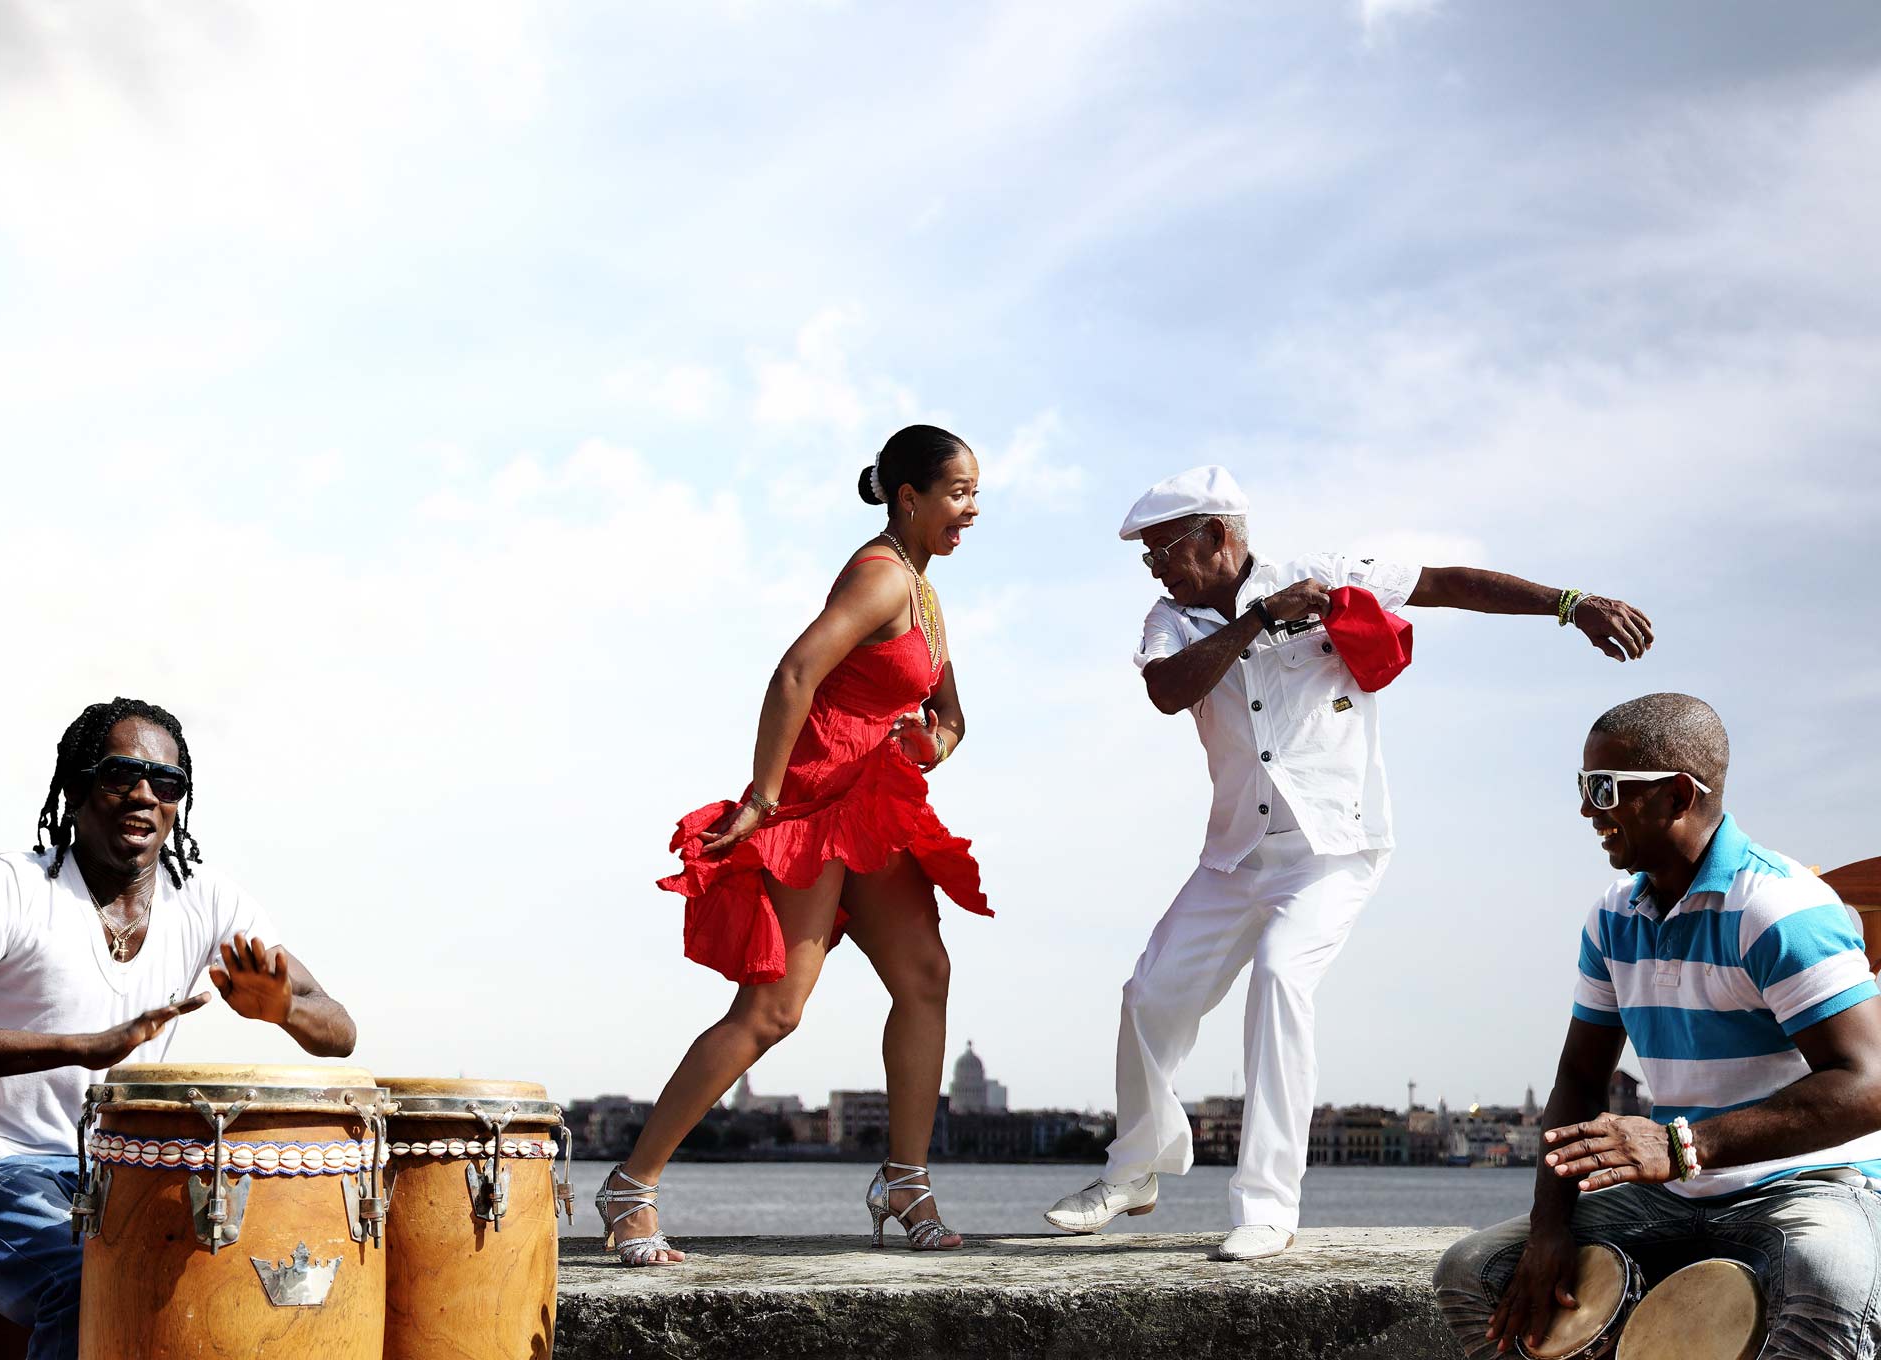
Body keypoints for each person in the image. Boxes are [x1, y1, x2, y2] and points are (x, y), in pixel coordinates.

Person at [1044, 465, 1656, 1261]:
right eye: (1150, 556)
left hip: (1335, 848)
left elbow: (1446, 583)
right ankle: (1138, 1168)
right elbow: (1166, 691)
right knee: (1148, 994)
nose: (1157, 568)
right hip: (1235, 854)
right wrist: (1260, 618)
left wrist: (1569, 606)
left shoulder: (1328, 573)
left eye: (1167, 549)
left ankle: (1266, 1205)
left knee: (1279, 977)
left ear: (1220, 535)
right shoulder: (1172, 620)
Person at [600, 425, 989, 1266]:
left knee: (926, 975)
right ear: (909, 497)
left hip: (873, 803)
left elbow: (952, 716)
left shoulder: (925, 592)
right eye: (958, 493)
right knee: (773, 1012)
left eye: (976, 493)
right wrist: (764, 799)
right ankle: (630, 1185)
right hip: (813, 804)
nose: (972, 509)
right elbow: (793, 673)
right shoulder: (881, 577)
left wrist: (932, 745)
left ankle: (905, 1180)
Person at [0, 698, 358, 1360]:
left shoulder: (206, 900)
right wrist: (84, 1048)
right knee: (98, 1282)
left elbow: (340, 1029)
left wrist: (283, 1010)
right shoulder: (13, 885)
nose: (143, 794)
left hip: (105, 1181)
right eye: (119, 774)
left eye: (165, 782)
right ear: (76, 790)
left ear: (178, 804)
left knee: (246, 1274)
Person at [1435, 693, 1881, 1358]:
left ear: (1676, 795)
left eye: (1605, 788)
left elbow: (1868, 1083)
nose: (1588, 810)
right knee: (1474, 1274)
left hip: (1806, 1184)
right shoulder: (1613, 918)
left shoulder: (1779, 908)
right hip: (1672, 1196)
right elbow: (1581, 1078)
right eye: (1583, 787)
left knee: (1830, 1276)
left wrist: (1682, 1146)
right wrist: (1549, 1230)